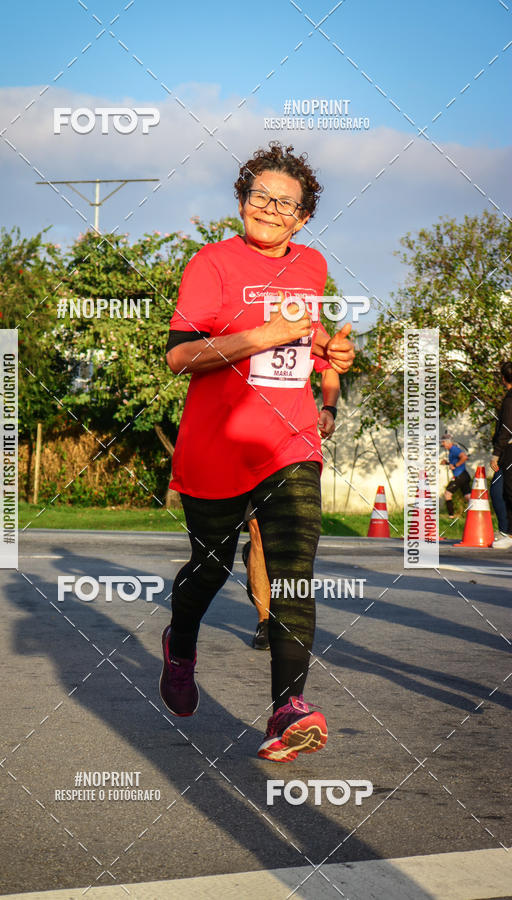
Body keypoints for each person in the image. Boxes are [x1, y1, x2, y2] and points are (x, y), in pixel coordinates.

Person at [160, 143, 355, 762]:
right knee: (210, 569)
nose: (270, 209)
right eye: (259, 196)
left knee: (294, 570)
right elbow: (180, 356)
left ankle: (287, 708)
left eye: (285, 203)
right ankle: (180, 642)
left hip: (289, 440)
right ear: (242, 199)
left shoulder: (313, 264)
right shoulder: (210, 264)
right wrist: (261, 335)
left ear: (303, 218)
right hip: (216, 445)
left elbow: (304, 339)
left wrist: (331, 353)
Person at [244, 366, 340, 650]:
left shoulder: (306, 320)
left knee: (296, 538)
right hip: (250, 441)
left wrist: (329, 409)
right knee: (258, 532)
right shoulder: (243, 325)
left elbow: (329, 364)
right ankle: (266, 621)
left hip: (298, 443)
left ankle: (287, 615)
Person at [490, 361, 512, 550]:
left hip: (508, 452)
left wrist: (496, 454)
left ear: (504, 378)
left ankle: (507, 532)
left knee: (500, 489)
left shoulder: (509, 399)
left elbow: (506, 429)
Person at [440, 434, 471, 518]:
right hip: (464, 475)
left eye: (443, 442)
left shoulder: (454, 449)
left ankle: (451, 516)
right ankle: (474, 513)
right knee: (468, 496)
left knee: (447, 494)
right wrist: (446, 463)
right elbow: (454, 462)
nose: (442, 444)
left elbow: (464, 457)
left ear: (448, 442)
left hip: (459, 476)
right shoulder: (452, 450)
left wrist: (456, 465)